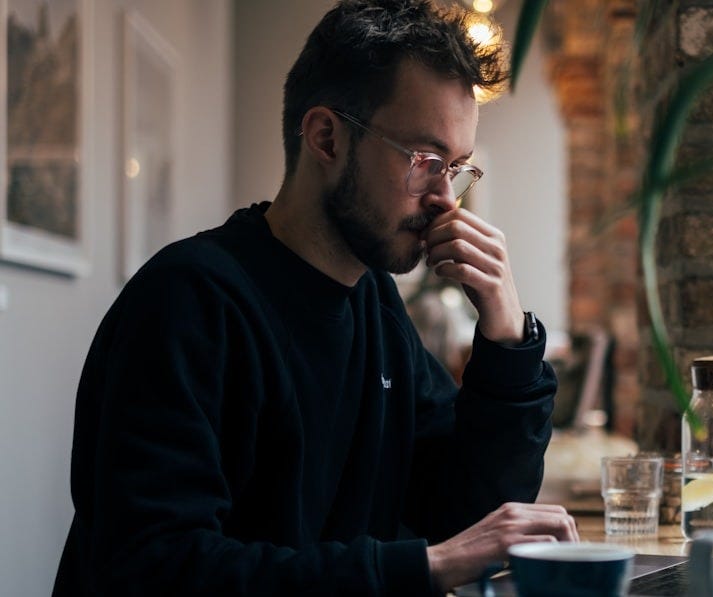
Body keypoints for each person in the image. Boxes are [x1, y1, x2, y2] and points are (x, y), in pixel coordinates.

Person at [53, 0, 577, 595]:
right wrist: (420, 568)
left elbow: (466, 509)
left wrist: (506, 334)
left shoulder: (374, 305)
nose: (444, 200)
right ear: (326, 136)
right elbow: (161, 568)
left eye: (456, 168)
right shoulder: (188, 301)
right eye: (426, 161)